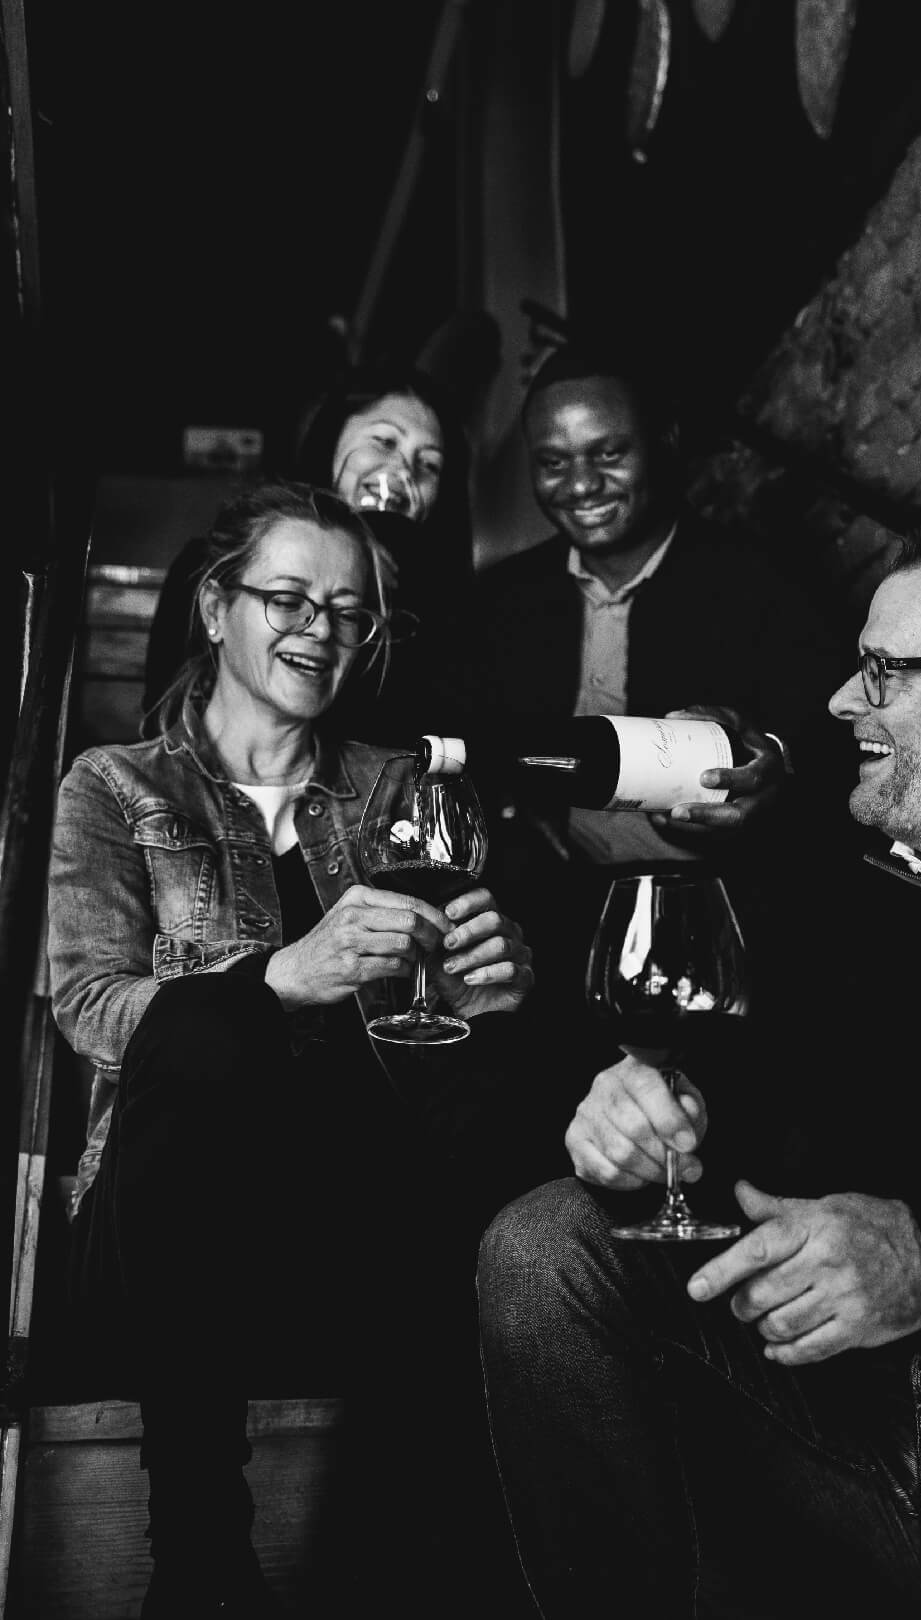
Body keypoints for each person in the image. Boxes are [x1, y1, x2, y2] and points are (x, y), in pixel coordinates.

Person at [475, 512, 921, 1618]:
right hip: (843, 1430)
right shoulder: (829, 886)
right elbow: (756, 1106)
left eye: (882, 671)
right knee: (546, 1245)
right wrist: (661, 1118)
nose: (843, 701)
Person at [47, 482, 537, 1618]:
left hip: (357, 1220)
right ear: (216, 606)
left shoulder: (402, 786)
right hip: (169, 1231)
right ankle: (201, 1555)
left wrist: (497, 983)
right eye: (289, 599)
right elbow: (89, 1006)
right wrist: (279, 978)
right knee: (197, 1043)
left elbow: (444, 1023)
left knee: (475, 1132)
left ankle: (427, 1563)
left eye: (349, 611)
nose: (321, 629)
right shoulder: (114, 786)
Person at [444, 341, 851, 1056]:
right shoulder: (500, 602)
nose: (580, 484)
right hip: (542, 923)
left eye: (608, 453)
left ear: (663, 441)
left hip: (717, 914)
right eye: (552, 462)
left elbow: (824, 734)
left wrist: (774, 767)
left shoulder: (759, 580)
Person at [142, 360, 474, 743]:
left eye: (429, 464)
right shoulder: (214, 564)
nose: (403, 470)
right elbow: (163, 722)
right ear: (332, 440)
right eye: (384, 441)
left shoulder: (445, 606)